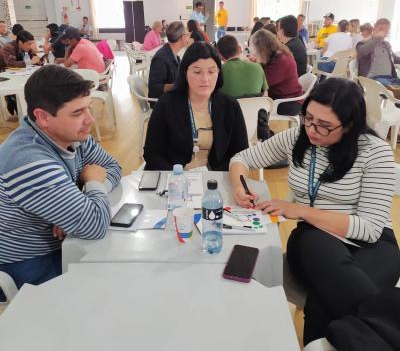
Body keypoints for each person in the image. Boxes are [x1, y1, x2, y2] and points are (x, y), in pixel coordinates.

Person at [229, 77, 400, 346]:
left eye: (325, 125)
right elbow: (242, 159)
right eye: (308, 117)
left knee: (322, 302)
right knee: (329, 276)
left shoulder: (374, 151)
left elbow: (369, 229)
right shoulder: (299, 136)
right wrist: (240, 186)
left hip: (374, 244)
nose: (312, 129)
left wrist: (299, 210)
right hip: (316, 239)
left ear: (350, 125)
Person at [0, 65, 122, 300]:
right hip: (29, 263)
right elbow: (94, 224)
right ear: (43, 117)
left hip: (64, 245)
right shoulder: (28, 160)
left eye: (88, 108)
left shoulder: (71, 134)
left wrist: (77, 202)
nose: (90, 120)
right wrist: (91, 188)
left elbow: (112, 168)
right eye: (77, 113)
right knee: (109, 292)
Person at [144, 42, 248, 171]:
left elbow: (241, 153)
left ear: (219, 72)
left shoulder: (230, 106)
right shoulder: (166, 104)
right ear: (185, 72)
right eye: (197, 72)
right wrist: (177, 176)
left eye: (211, 71)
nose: (205, 79)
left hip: (216, 179)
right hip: (175, 180)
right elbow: (152, 153)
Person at [250, 29, 303, 115]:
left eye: (256, 51)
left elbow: (261, 83)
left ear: (263, 49)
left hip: (288, 103)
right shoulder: (277, 54)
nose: (255, 53)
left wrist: (253, 66)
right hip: (283, 96)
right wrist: (257, 62)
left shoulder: (281, 61)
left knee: (250, 108)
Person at [148, 21, 189, 100]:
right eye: (187, 35)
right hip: (163, 103)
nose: (188, 37)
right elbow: (154, 88)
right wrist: (176, 86)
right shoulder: (161, 59)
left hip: (172, 97)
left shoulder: (172, 53)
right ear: (182, 37)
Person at [356, 18, 400, 85]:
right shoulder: (363, 43)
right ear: (373, 29)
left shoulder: (387, 45)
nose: (383, 33)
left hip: (391, 79)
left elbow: (395, 59)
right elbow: (362, 52)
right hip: (372, 79)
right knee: (387, 84)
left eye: (386, 31)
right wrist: (377, 38)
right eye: (381, 29)